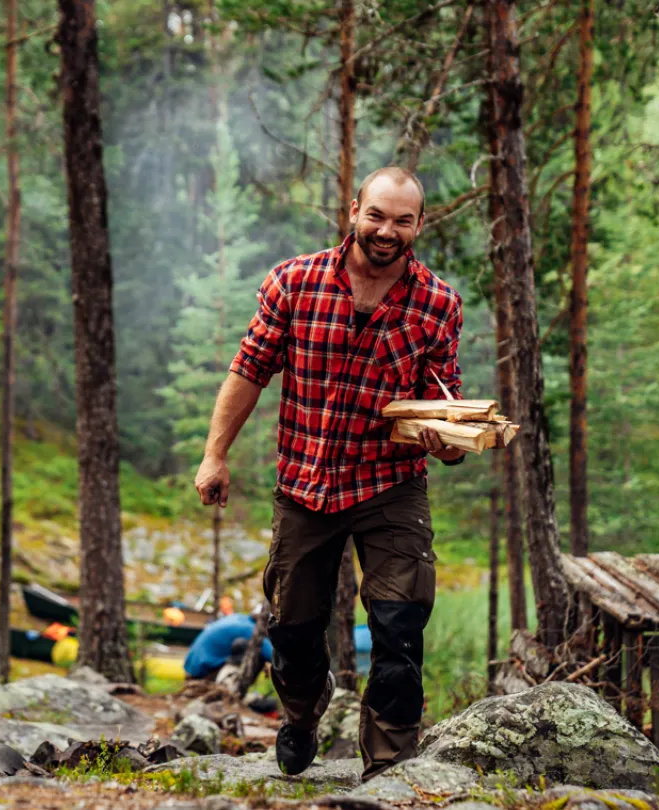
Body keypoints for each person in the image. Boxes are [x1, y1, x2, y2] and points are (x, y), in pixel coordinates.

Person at [192, 167, 465, 780]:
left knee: (399, 629)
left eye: (402, 220)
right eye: (377, 215)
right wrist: (216, 454)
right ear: (353, 212)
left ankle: (389, 768)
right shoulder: (295, 282)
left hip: (390, 486)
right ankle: (301, 715)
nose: (387, 231)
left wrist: (447, 443)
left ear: (420, 225)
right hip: (305, 483)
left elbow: (445, 406)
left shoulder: (438, 304)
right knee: (292, 629)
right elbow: (249, 370)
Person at [183, 611, 272, 682]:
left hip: (190, 669)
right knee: (254, 650)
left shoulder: (239, 617)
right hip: (202, 673)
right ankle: (232, 691)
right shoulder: (250, 629)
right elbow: (272, 656)